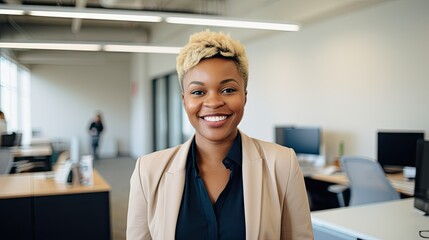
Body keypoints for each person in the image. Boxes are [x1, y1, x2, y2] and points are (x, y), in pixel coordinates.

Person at [127, 30, 313, 239]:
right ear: (184, 100)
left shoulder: (282, 164)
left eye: (228, 90)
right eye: (198, 92)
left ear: (244, 96)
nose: (214, 103)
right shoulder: (148, 171)